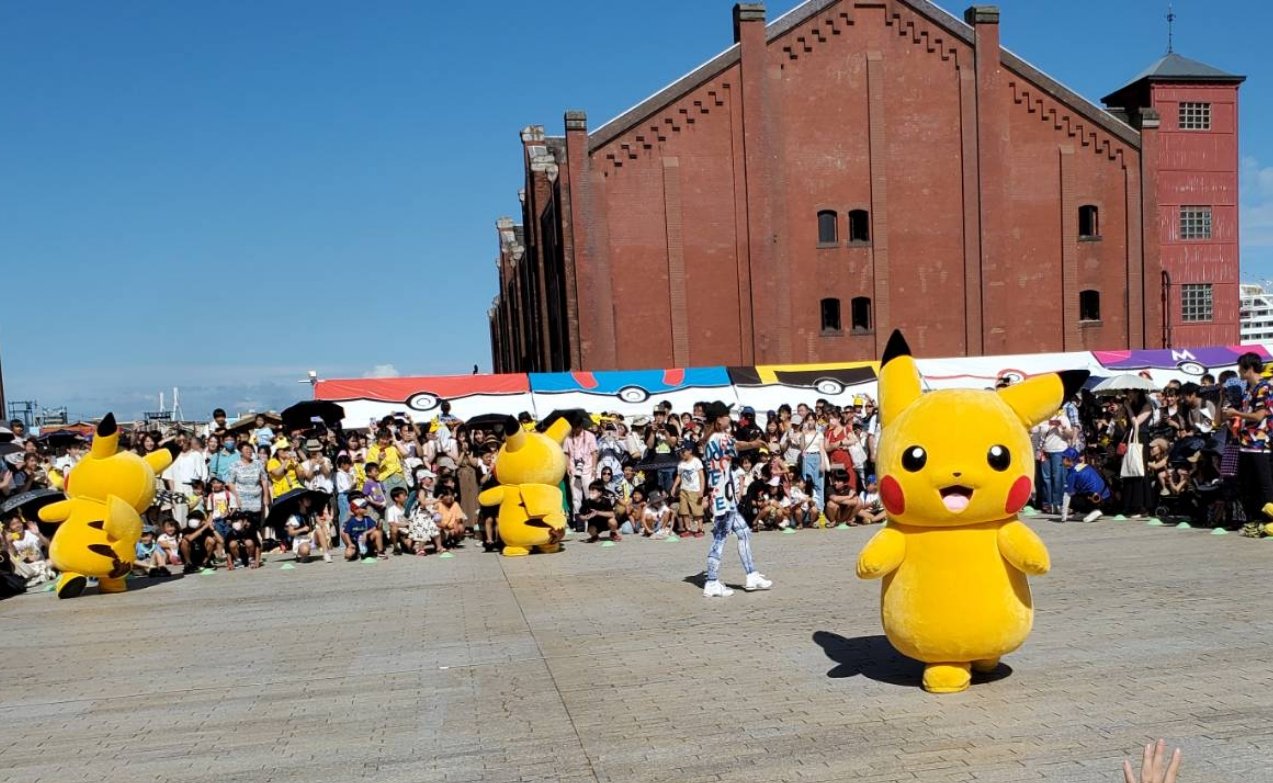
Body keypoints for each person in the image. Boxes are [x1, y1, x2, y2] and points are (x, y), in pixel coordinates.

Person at [701, 401, 772, 597]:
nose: (729, 419)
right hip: (723, 497)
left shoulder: (708, 439)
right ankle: (711, 581)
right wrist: (755, 444)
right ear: (718, 420)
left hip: (722, 495)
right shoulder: (720, 437)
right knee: (720, 538)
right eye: (726, 416)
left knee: (743, 532)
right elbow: (738, 445)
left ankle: (751, 575)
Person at [1222, 351, 1273, 525]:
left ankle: (1269, 520)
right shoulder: (1248, 390)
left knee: (1264, 485)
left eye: (1240, 368)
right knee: (1247, 485)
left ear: (1249, 368)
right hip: (1245, 443)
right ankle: (1255, 519)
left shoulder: (1264, 388)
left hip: (1260, 444)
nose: (1239, 372)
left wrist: (1236, 413)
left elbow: (1259, 416)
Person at [1058, 448, 1110, 523]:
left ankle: (1094, 511)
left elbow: (1067, 495)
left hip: (1095, 500)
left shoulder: (1072, 474)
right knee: (1079, 492)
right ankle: (1086, 513)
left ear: (1069, 459)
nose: (1062, 459)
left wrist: (1063, 516)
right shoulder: (1085, 466)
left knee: (1070, 497)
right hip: (1106, 498)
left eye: (1063, 457)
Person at [671, 444, 705, 538]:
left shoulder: (696, 461)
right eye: (680, 452)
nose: (682, 454)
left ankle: (700, 529)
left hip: (694, 489)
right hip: (684, 489)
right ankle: (687, 529)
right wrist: (674, 487)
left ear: (690, 451)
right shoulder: (681, 464)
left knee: (697, 510)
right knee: (684, 510)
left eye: (683, 451)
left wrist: (701, 489)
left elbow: (701, 476)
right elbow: (679, 476)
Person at [342, 495, 385, 560]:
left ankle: (380, 552)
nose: (366, 508)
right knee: (348, 555)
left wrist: (366, 533)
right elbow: (346, 533)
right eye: (364, 507)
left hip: (367, 541)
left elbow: (374, 528)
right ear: (356, 510)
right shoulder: (351, 521)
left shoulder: (367, 519)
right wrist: (350, 544)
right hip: (356, 543)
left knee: (377, 533)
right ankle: (357, 553)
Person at [386, 486, 411, 555]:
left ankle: (405, 544)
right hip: (398, 532)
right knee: (394, 528)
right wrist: (405, 525)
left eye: (406, 495)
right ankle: (396, 547)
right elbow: (391, 523)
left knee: (411, 548)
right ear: (396, 498)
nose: (406, 497)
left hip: (408, 531)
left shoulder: (409, 508)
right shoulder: (391, 509)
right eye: (404, 496)